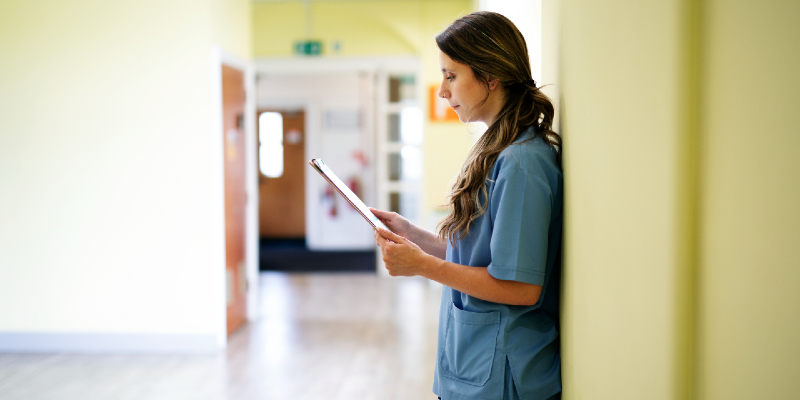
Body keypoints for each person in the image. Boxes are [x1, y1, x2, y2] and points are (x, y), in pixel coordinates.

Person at [371, 11, 563, 400]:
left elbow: (522, 286)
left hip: (505, 375)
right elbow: (481, 257)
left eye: (451, 75)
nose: (442, 91)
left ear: (491, 78)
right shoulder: (498, 149)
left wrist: (423, 266)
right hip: (476, 366)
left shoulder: (522, 163)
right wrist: (415, 237)